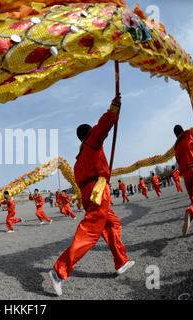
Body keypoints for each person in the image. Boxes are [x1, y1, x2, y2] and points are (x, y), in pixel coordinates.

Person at [48, 94, 134, 296]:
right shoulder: (92, 143)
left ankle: (121, 261)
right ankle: (59, 271)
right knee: (90, 233)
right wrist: (114, 109)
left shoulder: (79, 160)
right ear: (89, 134)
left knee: (112, 224)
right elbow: (102, 127)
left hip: (89, 194)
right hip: (98, 192)